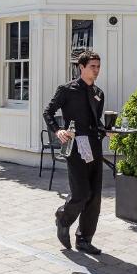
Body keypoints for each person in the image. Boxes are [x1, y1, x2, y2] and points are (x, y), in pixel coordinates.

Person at [43, 51, 107, 255]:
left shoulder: (99, 93)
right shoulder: (67, 90)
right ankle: (63, 218)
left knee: (95, 196)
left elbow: (97, 123)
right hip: (76, 146)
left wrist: (109, 131)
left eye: (98, 67)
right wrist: (57, 130)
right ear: (81, 67)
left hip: (94, 147)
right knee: (81, 193)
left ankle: (84, 239)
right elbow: (48, 112)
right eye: (92, 67)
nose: (96, 70)